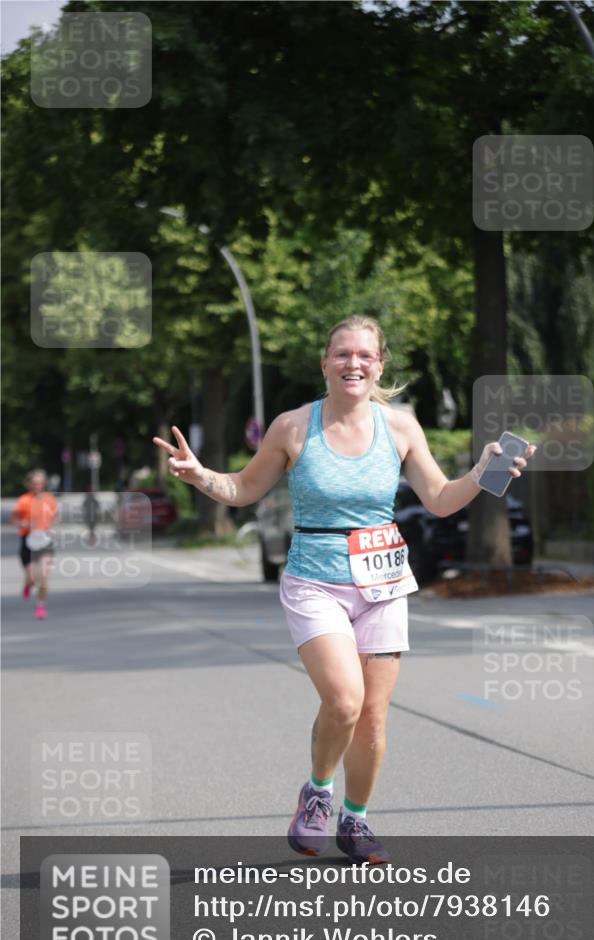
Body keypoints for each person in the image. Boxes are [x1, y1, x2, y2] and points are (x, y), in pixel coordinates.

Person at [153, 314, 535, 864]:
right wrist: (200, 475)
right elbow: (242, 488)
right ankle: (317, 793)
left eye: (365, 355)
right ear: (325, 363)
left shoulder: (400, 427)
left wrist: (479, 473)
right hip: (315, 580)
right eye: (342, 354)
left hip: (382, 581)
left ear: (379, 364)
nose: (353, 363)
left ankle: (354, 821)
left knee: (374, 717)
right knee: (344, 701)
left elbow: (440, 499)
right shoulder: (292, 427)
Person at [10, 469, 58, 620]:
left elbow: (54, 516)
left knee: (43, 576)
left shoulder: (49, 499)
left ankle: (40, 605)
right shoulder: (24, 500)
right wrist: (23, 523)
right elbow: (13, 520)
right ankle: (28, 584)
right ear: (29, 484)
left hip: (44, 540)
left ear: (44, 484)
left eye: (40, 483)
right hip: (27, 541)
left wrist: (48, 524)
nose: (38, 485)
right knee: (31, 578)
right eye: (35, 483)